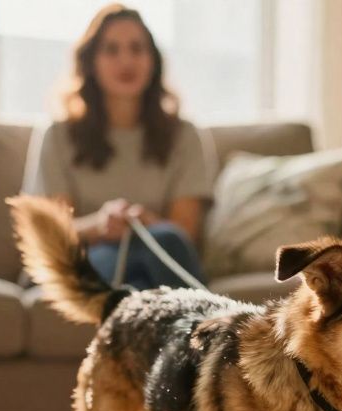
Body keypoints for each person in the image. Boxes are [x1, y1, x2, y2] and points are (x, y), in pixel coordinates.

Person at [23, 3, 211, 291]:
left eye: (137, 49)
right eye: (111, 50)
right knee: (135, 280)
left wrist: (145, 223)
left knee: (164, 245)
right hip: (88, 260)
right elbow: (52, 235)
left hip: (161, 256)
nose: (126, 61)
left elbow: (184, 233)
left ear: (153, 61)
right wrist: (101, 225)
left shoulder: (184, 135)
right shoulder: (58, 135)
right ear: (91, 62)